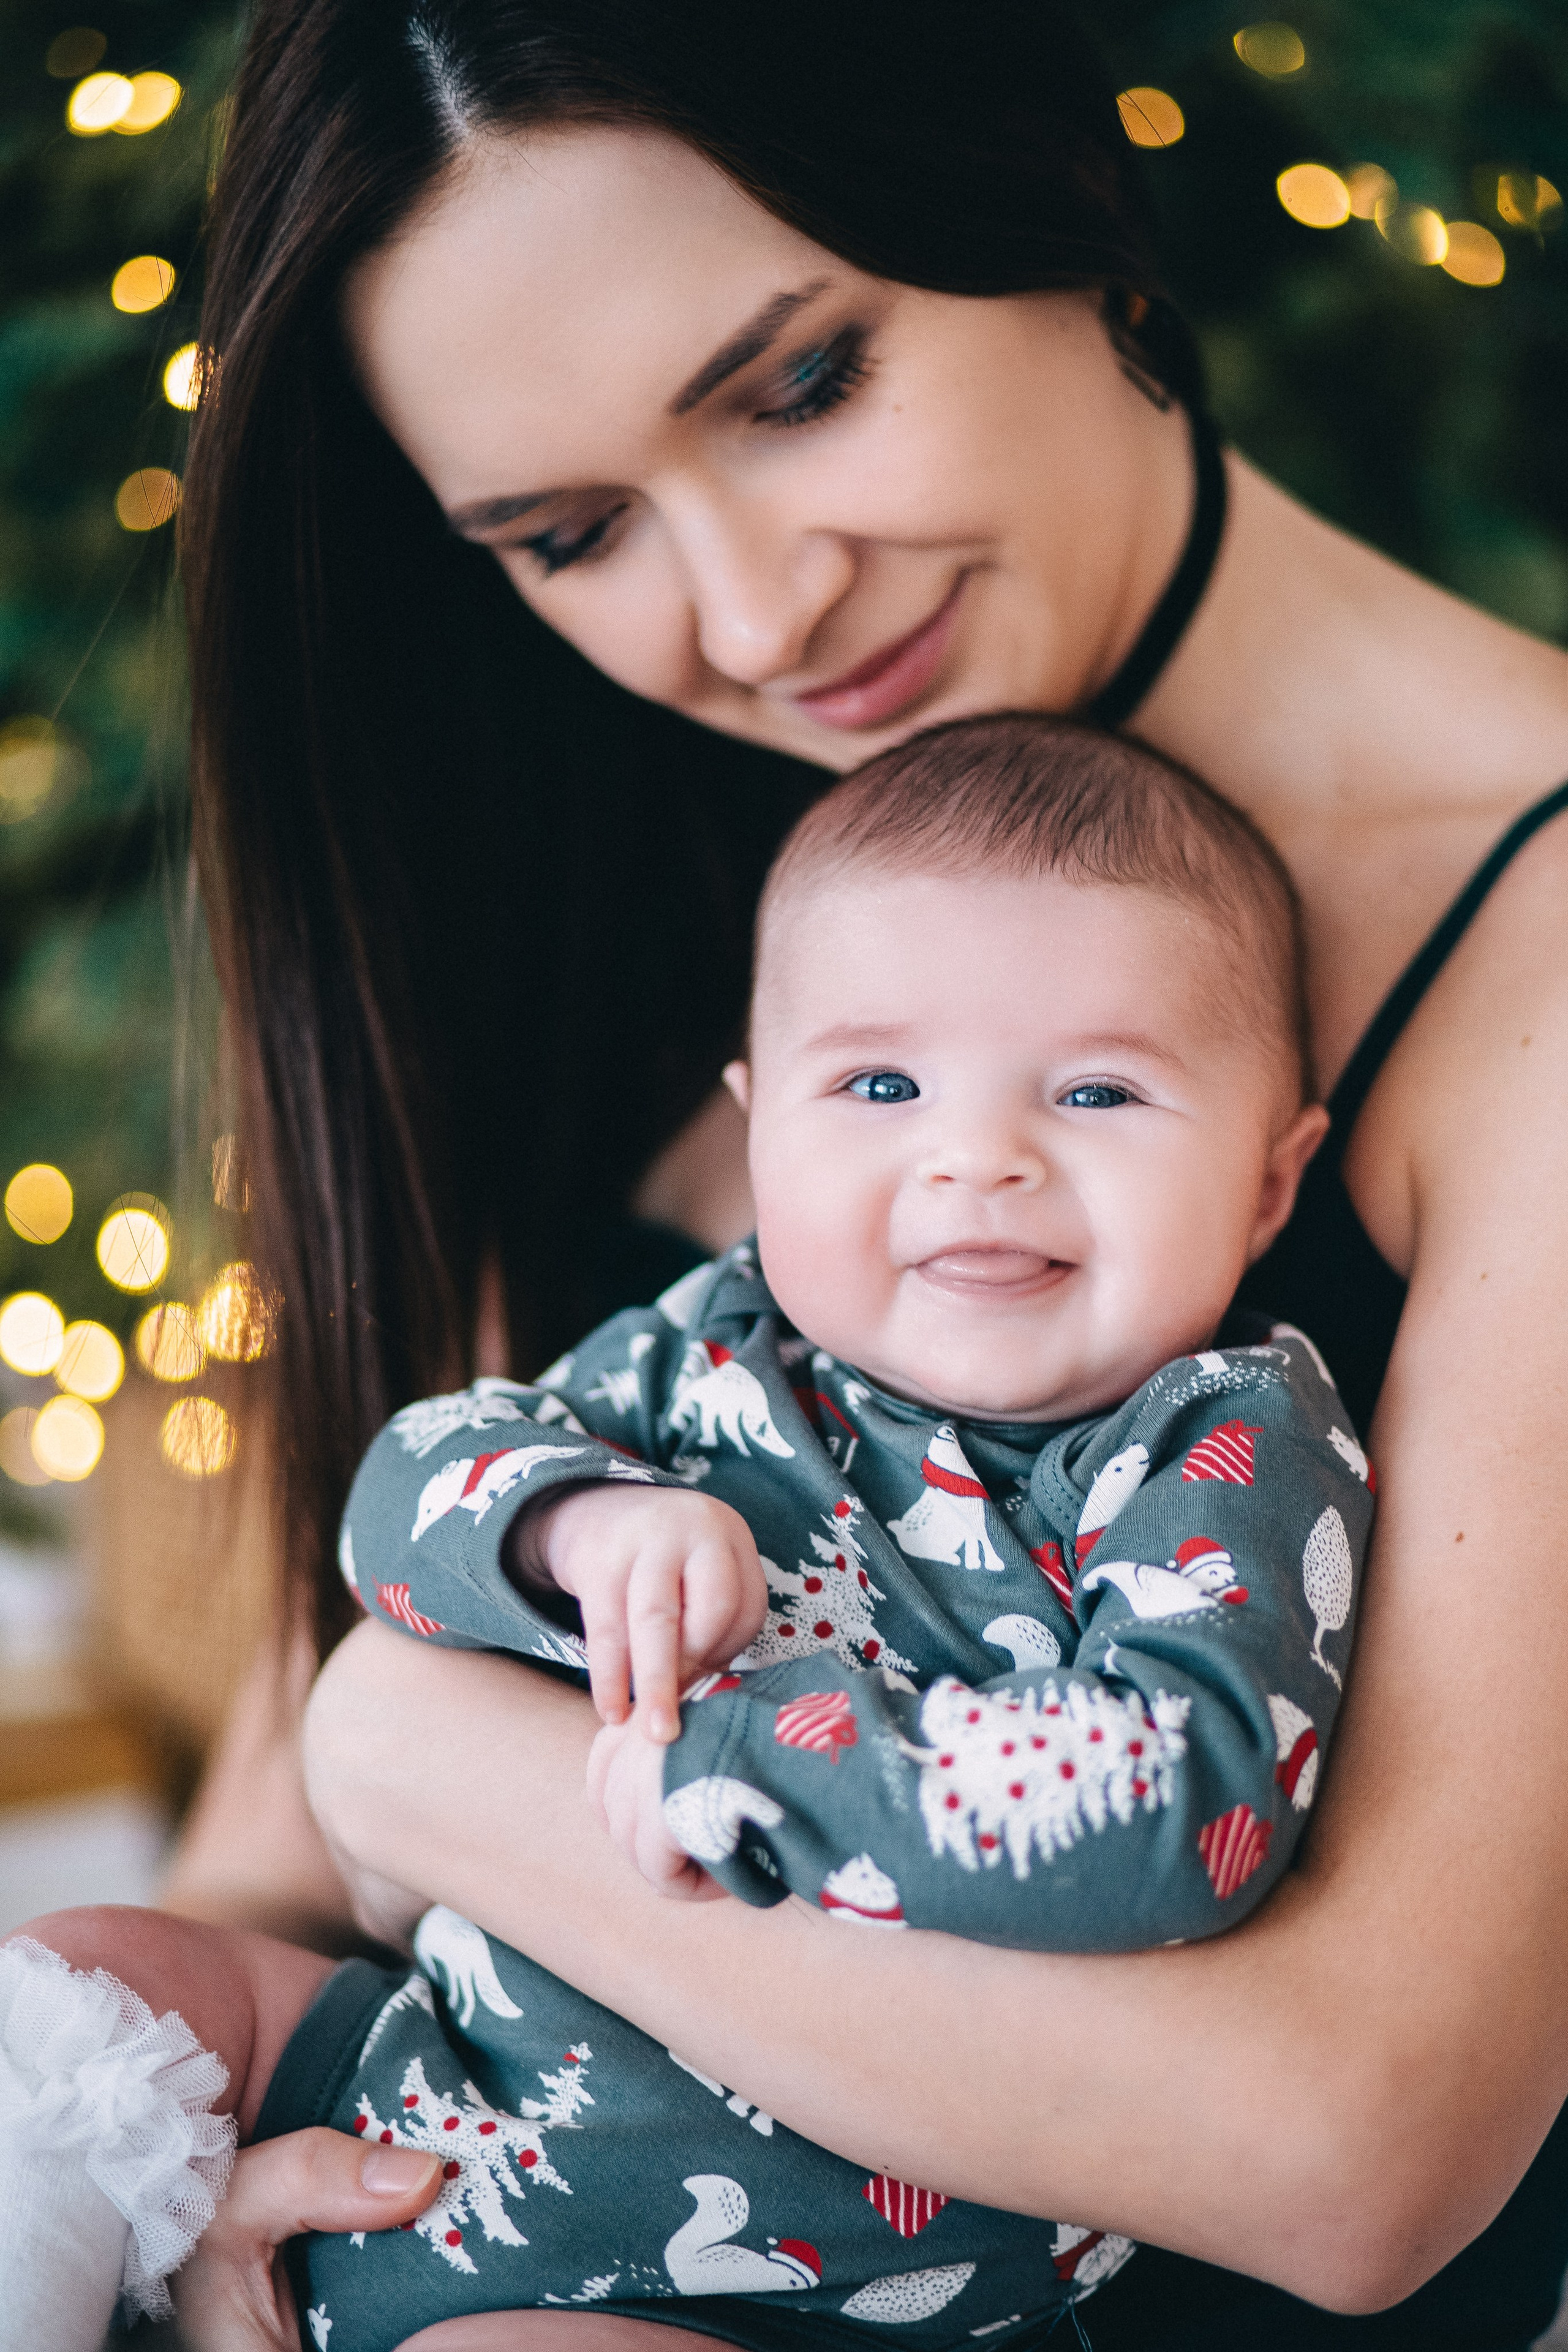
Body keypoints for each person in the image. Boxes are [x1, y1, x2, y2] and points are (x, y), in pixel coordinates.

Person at [160, 1, 1568, 2346]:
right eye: (571, 532)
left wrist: (411, 1747)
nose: (745, 618)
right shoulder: (629, 868)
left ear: (1053, 188)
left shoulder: (1539, 950)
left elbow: (1348, 2148)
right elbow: (259, 1881)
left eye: (801, 383)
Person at [5, 717, 1370, 2351]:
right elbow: (405, 1497)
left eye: (1099, 1089)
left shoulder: (1218, 1433)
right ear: (759, 1121)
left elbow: (1183, 1802)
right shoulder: (714, 1346)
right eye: (879, 1083)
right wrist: (569, 1529)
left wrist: (744, 1759)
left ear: (1274, 1180)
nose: (979, 1155)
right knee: (77, 1986)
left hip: (753, 2273)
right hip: (410, 2067)